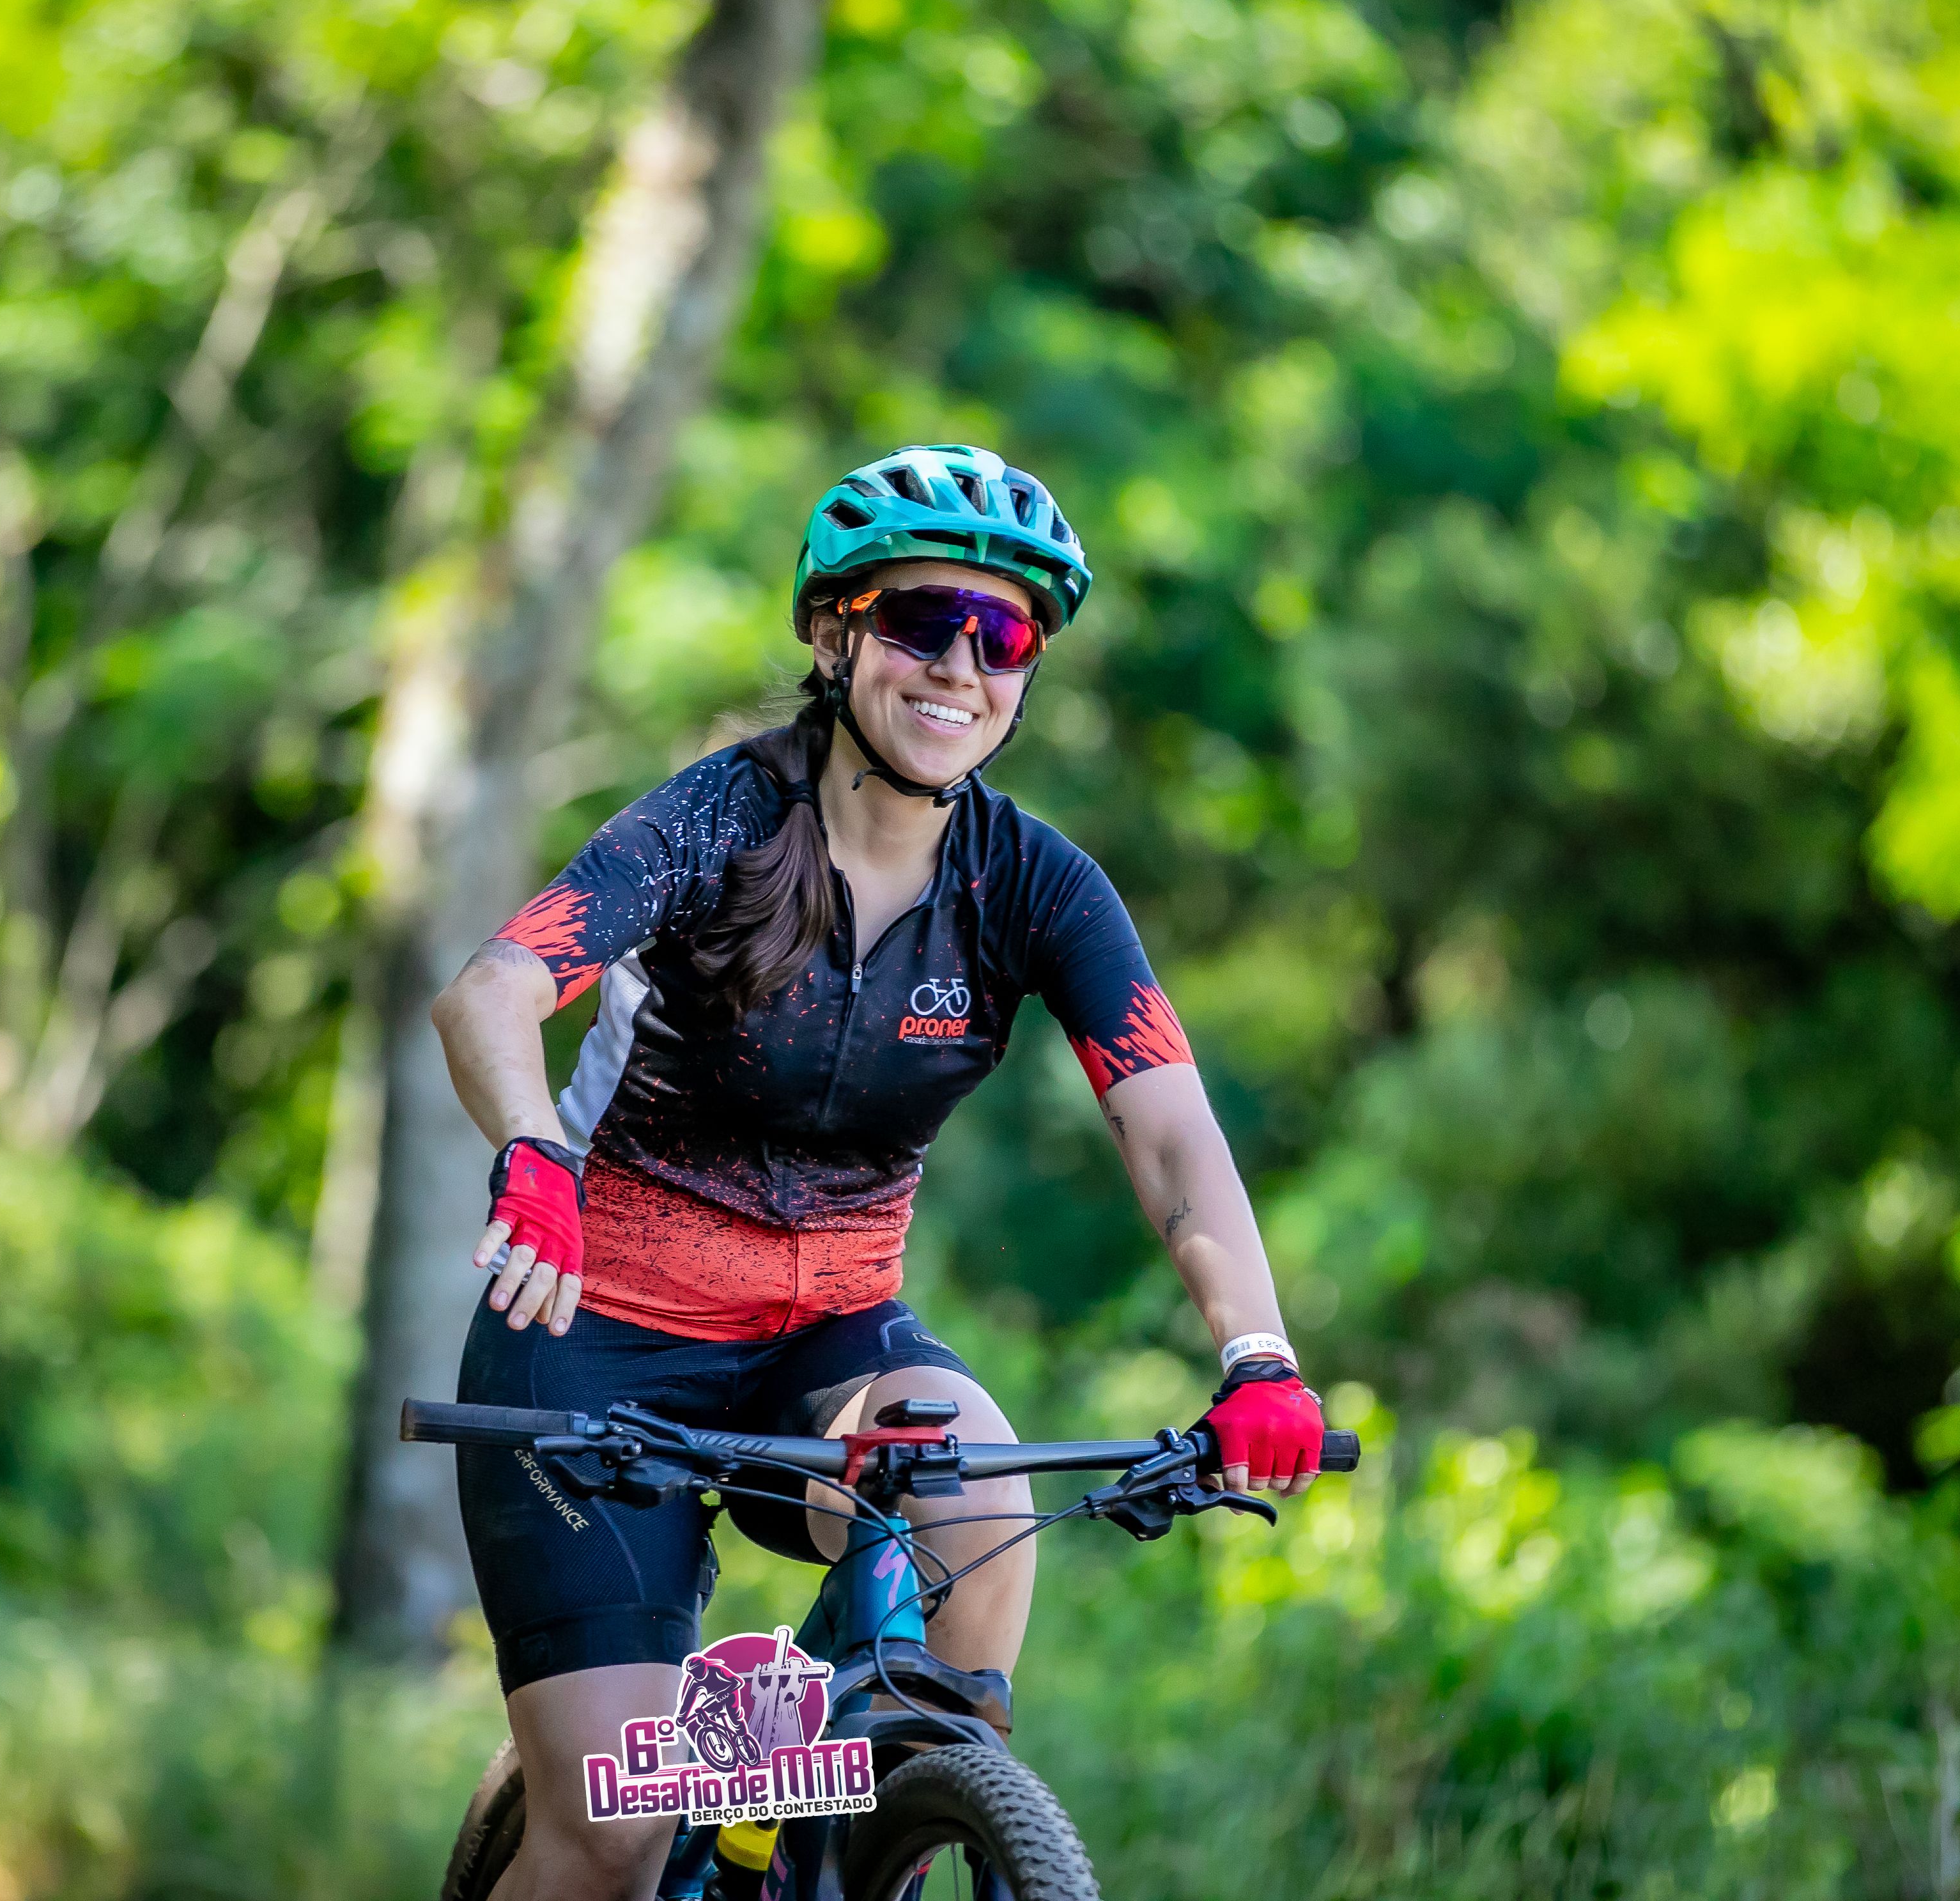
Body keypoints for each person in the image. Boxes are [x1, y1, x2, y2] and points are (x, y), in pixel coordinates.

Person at [434, 446, 1328, 1901]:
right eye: (923, 621)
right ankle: (680, 1818)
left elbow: (1169, 1129)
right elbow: (490, 991)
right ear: (834, 632)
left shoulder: (1037, 883)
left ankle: (852, 1835)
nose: (961, 666)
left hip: (827, 1336)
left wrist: (1258, 1352)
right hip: (591, 1338)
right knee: (612, 1833)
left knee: (975, 1495)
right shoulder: (719, 822)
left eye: (1004, 636)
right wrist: (532, 1154)